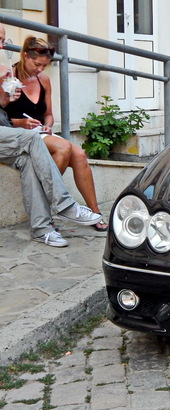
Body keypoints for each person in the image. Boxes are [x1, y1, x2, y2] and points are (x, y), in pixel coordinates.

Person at [0, 25, 102, 247]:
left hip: (10, 136)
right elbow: (7, 120)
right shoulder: (7, 70)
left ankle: (42, 228)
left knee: (32, 160)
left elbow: (5, 110)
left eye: (4, 39)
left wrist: (5, 97)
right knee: (37, 141)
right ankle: (65, 206)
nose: (3, 45)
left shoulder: (7, 71)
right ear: (25, 56)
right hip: (18, 133)